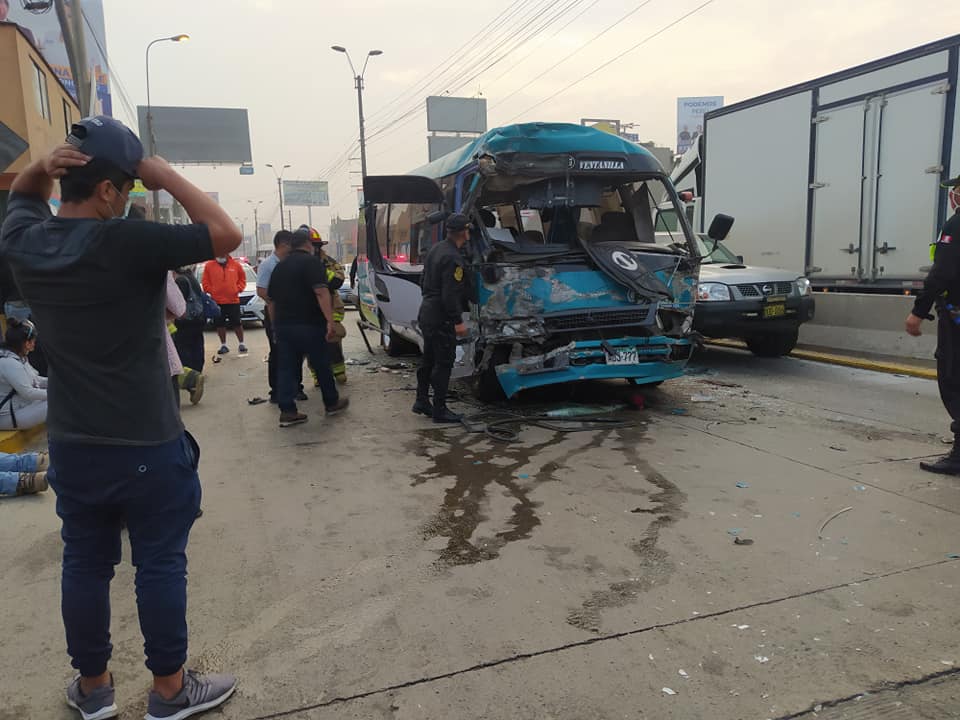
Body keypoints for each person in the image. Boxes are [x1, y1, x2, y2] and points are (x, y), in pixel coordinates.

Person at [0, 116, 240, 719]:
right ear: (109, 189)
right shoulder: (128, 241)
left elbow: (24, 198)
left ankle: (95, 689)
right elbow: (225, 233)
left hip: (75, 442)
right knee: (158, 563)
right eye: (129, 186)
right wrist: (159, 172)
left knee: (84, 563)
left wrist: (37, 169)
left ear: (66, 176)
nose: (132, 195)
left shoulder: (29, 243)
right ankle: (169, 692)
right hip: (147, 442)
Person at [906, 175, 960, 475]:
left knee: (954, 378)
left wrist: (918, 310)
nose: (953, 194)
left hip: (956, 315)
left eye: (957, 189)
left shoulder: (956, 225)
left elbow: (942, 272)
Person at [267, 230, 349, 427]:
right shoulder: (312, 263)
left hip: (284, 326)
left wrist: (275, 327)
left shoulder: (280, 267)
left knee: (286, 368)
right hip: (310, 324)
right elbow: (321, 292)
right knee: (321, 363)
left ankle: (287, 411)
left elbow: (271, 301)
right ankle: (331, 402)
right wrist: (330, 321)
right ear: (307, 245)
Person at [414, 213, 472, 424]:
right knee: (444, 362)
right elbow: (450, 293)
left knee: (428, 359)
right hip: (441, 317)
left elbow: (423, 280)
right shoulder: (453, 257)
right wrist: (457, 321)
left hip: (427, 311)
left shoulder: (436, 249)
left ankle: (421, 400)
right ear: (464, 231)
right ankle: (439, 409)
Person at [256, 230, 306, 403]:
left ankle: (297, 388)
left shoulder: (290, 263)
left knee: (297, 352)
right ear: (283, 245)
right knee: (278, 353)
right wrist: (279, 300)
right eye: (291, 246)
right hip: (275, 314)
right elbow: (261, 291)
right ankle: (276, 391)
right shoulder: (268, 265)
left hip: (294, 314)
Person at [296, 225, 348, 384]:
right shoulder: (294, 263)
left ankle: (339, 372)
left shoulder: (327, 262)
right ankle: (317, 376)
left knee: (333, 344)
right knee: (311, 348)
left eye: (317, 246)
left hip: (331, 311)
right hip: (307, 313)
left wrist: (318, 272)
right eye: (313, 245)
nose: (314, 249)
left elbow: (338, 280)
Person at [0, 318, 47, 430]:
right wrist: (57, 393)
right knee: (60, 402)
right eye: (33, 341)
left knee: (60, 398)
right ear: (27, 343)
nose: (34, 345)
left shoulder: (17, 357)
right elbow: (28, 393)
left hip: (21, 408)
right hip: (7, 417)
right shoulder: (9, 363)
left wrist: (59, 383)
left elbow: (35, 380)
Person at [172, 266, 207, 400]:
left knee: (182, 354)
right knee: (196, 349)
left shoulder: (180, 281)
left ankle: (193, 381)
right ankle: (196, 376)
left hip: (185, 322)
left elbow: (177, 306)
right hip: (198, 320)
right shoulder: (191, 278)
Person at [201, 254, 247, 355]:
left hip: (233, 301)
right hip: (217, 301)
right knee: (219, 324)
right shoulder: (209, 266)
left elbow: (242, 279)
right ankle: (223, 345)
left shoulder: (236, 265)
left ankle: (242, 343)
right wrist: (212, 291)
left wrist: (238, 289)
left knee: (237, 323)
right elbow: (205, 282)